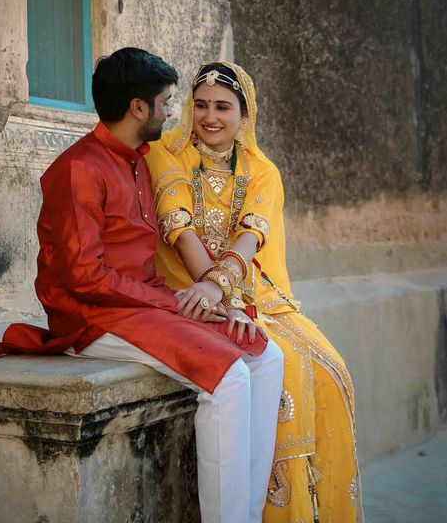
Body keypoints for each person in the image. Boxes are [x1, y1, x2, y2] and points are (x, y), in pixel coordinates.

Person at [0, 47, 284, 522]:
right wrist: (171, 302)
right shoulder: (79, 169)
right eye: (166, 103)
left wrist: (209, 301)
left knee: (265, 353)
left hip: (139, 307)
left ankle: (246, 514)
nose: (173, 112)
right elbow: (84, 277)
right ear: (138, 108)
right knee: (228, 378)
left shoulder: (138, 160)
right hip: (92, 317)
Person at [144, 61, 364, 523]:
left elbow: (252, 235)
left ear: (245, 115)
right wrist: (210, 292)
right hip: (186, 293)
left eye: (223, 107)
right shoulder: (167, 152)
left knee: (330, 372)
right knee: (281, 369)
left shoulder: (262, 170)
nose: (210, 117)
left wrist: (220, 286)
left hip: (249, 294)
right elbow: (177, 225)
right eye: (200, 104)